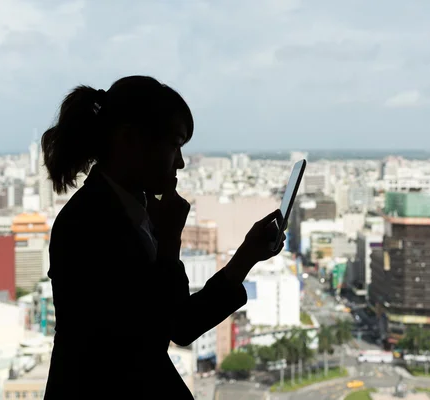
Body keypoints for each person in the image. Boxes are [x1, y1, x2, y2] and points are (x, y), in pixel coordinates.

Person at [41, 75, 286, 399]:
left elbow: (177, 322)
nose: (181, 162)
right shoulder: (90, 223)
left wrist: (247, 256)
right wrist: (170, 243)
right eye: (174, 145)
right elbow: (159, 332)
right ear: (130, 141)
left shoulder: (133, 212)